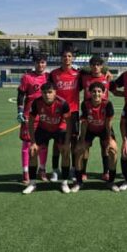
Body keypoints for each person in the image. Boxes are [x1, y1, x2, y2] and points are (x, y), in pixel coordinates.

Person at [24, 83, 73, 194]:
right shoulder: (37, 102)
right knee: (33, 152)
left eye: (50, 92)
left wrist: (66, 143)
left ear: (55, 92)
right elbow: (31, 121)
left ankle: (64, 183)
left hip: (59, 129)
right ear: (41, 93)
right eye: (45, 92)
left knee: (65, 152)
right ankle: (32, 183)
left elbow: (69, 123)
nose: (47, 95)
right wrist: (32, 142)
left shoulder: (63, 103)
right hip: (43, 129)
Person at [71, 82, 119, 193]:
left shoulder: (107, 104)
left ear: (103, 93)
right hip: (90, 130)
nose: (96, 94)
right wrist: (82, 140)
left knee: (113, 150)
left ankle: (111, 182)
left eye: (99, 91)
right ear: (89, 92)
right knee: (78, 150)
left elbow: (108, 123)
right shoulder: (85, 104)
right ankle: (79, 182)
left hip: (104, 130)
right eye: (94, 91)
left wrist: (109, 140)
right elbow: (84, 123)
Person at [48, 48, 81, 182]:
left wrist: (105, 71)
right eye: (64, 56)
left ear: (72, 58)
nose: (66, 58)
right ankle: (55, 170)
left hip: (73, 112)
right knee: (57, 142)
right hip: (57, 113)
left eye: (69, 56)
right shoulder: (53, 74)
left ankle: (73, 169)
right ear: (61, 58)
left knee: (73, 141)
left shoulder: (78, 74)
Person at [79, 55, 113, 181]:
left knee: (106, 147)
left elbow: (114, 89)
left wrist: (107, 72)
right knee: (84, 146)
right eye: (93, 65)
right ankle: (82, 172)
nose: (95, 67)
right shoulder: (84, 77)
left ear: (102, 66)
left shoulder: (106, 78)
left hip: (103, 117)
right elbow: (80, 70)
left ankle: (106, 172)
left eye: (98, 65)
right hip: (89, 116)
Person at [15, 54, 48, 185]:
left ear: (46, 63)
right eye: (38, 62)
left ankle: (42, 170)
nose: (40, 65)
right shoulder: (27, 77)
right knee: (27, 144)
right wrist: (20, 111)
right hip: (30, 115)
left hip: (45, 115)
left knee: (44, 144)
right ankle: (26, 172)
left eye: (43, 62)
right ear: (34, 63)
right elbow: (20, 95)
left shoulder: (48, 77)